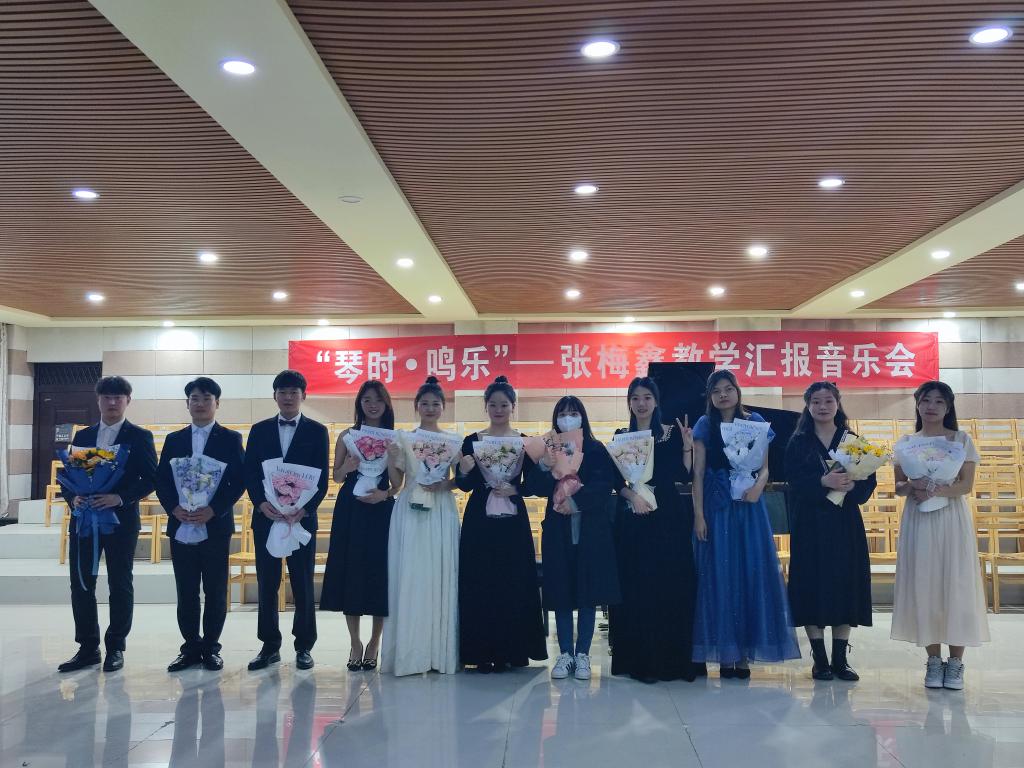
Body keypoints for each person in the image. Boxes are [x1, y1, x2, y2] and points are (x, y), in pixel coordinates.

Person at [692, 370, 800, 678]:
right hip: (717, 506)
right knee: (721, 575)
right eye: (716, 391)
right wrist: (699, 515)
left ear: (737, 391)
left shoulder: (754, 422)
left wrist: (758, 487)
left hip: (749, 506)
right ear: (710, 396)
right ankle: (726, 654)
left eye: (728, 389)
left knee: (750, 572)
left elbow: (765, 468)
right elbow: (697, 473)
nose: (723, 395)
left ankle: (745, 655)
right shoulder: (705, 425)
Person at [892, 380, 990, 690]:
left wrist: (935, 489)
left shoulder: (961, 440)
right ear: (917, 405)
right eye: (926, 400)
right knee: (925, 582)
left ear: (948, 408)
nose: (931, 406)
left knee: (955, 583)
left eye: (938, 401)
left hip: (951, 517)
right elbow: (898, 487)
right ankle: (933, 661)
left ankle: (956, 663)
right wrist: (914, 485)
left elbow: (966, 485)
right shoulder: (906, 442)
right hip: (918, 518)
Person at [57, 375, 158, 673]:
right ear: (98, 400)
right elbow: (68, 478)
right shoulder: (84, 436)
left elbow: (151, 478)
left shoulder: (139, 437)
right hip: (84, 520)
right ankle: (88, 647)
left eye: (118, 397)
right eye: (106, 397)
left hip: (120, 521)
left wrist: (120, 498)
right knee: (81, 583)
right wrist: (73, 498)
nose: (112, 402)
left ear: (128, 401)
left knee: (120, 582)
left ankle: (116, 647)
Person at [609, 377, 699, 683]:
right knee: (639, 586)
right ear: (629, 403)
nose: (641, 403)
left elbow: (683, 475)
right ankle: (641, 661)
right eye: (635, 398)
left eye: (647, 397)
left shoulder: (671, 433)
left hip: (668, 516)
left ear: (656, 401)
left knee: (671, 584)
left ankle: (674, 662)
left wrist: (686, 448)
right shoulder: (622, 436)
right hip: (636, 516)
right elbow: (616, 481)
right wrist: (632, 497)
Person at [784, 381, 875, 681]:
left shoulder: (852, 440)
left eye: (828, 401)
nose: (822, 406)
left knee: (844, 583)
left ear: (838, 403)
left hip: (844, 522)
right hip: (810, 522)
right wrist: (822, 482)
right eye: (816, 401)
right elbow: (792, 482)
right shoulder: (798, 441)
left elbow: (868, 481)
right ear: (807, 405)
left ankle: (840, 659)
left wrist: (852, 485)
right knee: (811, 583)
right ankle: (820, 660)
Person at [154, 377, 246, 672]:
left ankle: (211, 648)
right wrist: (174, 508)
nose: (201, 404)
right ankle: (190, 647)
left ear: (217, 403)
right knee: (186, 590)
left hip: (214, 526)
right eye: (195, 398)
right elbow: (162, 480)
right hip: (181, 523)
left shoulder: (230, 439)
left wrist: (214, 510)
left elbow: (239, 481)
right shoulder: (174, 439)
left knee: (216, 590)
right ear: (187, 403)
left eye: (207, 399)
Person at [524, 396, 619, 680]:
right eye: (562, 413)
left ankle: (583, 654)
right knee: (562, 590)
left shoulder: (595, 449)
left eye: (573, 412)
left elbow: (605, 484)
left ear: (582, 417)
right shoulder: (548, 448)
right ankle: (565, 653)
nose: (568, 418)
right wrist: (544, 465)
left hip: (590, 529)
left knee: (588, 590)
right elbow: (532, 486)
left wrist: (577, 501)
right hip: (558, 528)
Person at [456, 376, 547, 672]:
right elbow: (465, 484)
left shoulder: (525, 442)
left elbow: (535, 484)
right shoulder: (472, 440)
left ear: (513, 407)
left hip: (512, 520)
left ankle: (512, 651)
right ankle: (480, 652)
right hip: (479, 521)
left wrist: (515, 489)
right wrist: (463, 471)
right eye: (493, 404)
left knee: (513, 581)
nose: (498, 409)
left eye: (504, 405)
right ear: (486, 406)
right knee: (479, 581)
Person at [243, 370, 329, 671]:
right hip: (267, 517)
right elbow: (250, 472)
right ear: (275, 396)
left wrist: (304, 510)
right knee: (267, 582)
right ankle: (269, 645)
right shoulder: (259, 430)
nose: (288, 397)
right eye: (283, 392)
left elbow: (322, 478)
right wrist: (261, 503)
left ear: (303, 395)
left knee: (302, 582)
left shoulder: (317, 431)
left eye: (294, 392)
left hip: (300, 519)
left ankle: (304, 646)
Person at [380, 376, 461, 676]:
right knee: (411, 575)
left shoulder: (453, 440)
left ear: (443, 407)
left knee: (440, 573)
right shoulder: (404, 438)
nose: (430, 408)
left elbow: (460, 479)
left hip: (440, 508)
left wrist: (447, 483)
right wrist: (392, 459)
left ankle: (440, 654)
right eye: (424, 403)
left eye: (435, 404)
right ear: (416, 406)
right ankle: (409, 654)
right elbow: (397, 482)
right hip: (410, 507)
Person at [320, 380, 398, 671]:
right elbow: (337, 477)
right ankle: (355, 642)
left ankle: (374, 642)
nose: (372, 405)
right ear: (359, 404)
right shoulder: (346, 435)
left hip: (380, 509)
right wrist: (348, 466)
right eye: (366, 400)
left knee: (379, 573)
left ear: (386, 404)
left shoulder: (394, 439)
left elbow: (398, 484)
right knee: (350, 571)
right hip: (350, 509)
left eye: (378, 400)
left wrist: (384, 494)